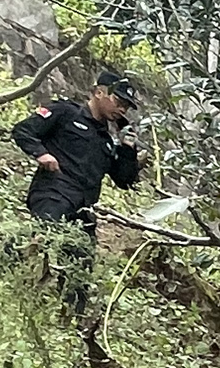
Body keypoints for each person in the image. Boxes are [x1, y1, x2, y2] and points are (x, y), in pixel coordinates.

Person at [10, 69, 143, 316]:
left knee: (80, 268)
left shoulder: (107, 140)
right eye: (118, 102)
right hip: (54, 192)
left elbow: (124, 180)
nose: (122, 110)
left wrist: (128, 149)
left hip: (83, 209)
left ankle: (71, 324)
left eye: (127, 106)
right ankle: (0, 270)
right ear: (99, 92)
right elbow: (23, 130)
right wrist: (42, 153)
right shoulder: (66, 112)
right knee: (41, 235)